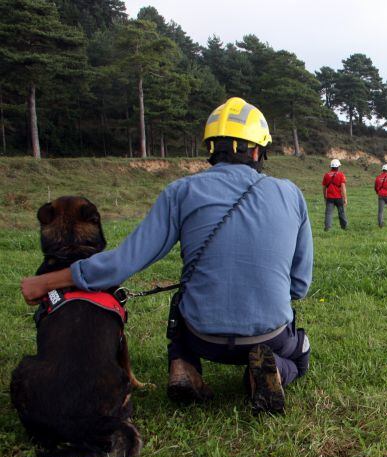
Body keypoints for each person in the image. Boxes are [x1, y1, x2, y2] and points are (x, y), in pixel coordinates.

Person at [20, 97, 313, 415]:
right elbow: (299, 286)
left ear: (211, 148)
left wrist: (46, 282)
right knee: (301, 353)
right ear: (257, 151)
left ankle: (184, 366)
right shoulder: (291, 194)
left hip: (203, 338)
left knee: (181, 301)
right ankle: (275, 370)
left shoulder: (181, 191)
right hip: (269, 337)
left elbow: (123, 262)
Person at [322, 159, 348, 231]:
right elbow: (343, 187)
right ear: (338, 167)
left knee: (328, 214)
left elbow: (324, 188)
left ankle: (327, 228)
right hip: (339, 198)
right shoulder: (341, 175)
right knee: (341, 213)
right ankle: (344, 227)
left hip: (329, 198)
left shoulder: (326, 175)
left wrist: (325, 197)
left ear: (331, 166)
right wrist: (345, 198)